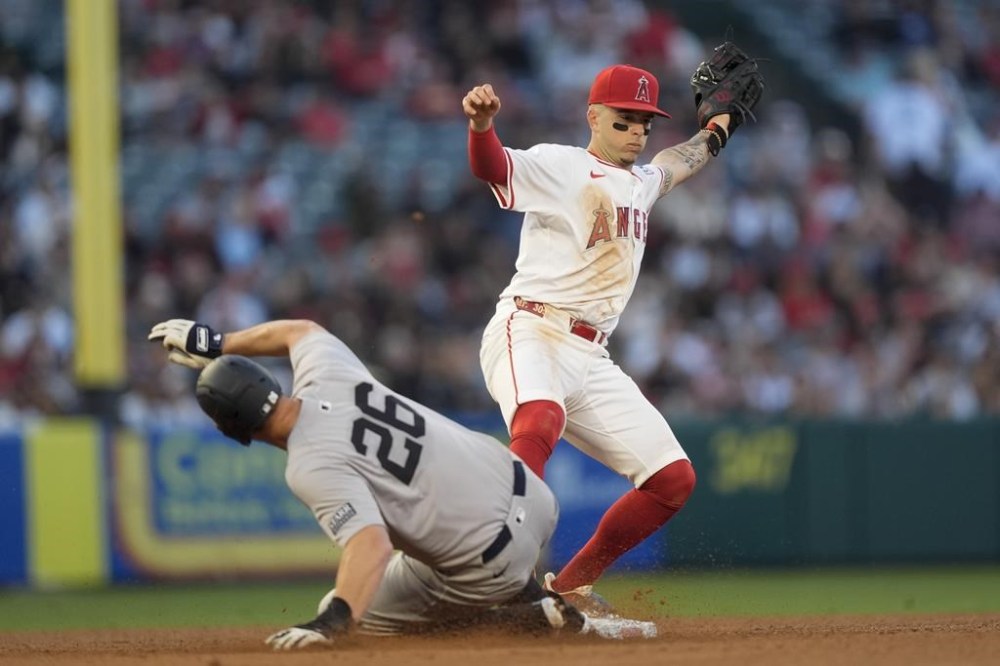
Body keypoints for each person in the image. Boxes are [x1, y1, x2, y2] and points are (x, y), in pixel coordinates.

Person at [146, 318, 656, 647]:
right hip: (537, 498)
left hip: (490, 563)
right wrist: (216, 341)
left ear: (234, 432)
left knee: (372, 616)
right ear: (267, 381)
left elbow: (368, 545)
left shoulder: (309, 464)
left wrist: (333, 621)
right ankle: (527, 596)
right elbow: (299, 331)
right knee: (428, 543)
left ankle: (523, 615)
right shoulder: (327, 373)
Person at [461, 62, 749, 607]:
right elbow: (492, 167)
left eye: (645, 121)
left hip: (592, 356)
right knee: (540, 418)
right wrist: (481, 128)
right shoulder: (560, 165)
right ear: (593, 117)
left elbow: (683, 158)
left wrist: (720, 125)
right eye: (625, 120)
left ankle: (568, 589)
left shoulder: (642, 182)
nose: (638, 131)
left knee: (672, 479)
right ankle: (494, 575)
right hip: (532, 327)